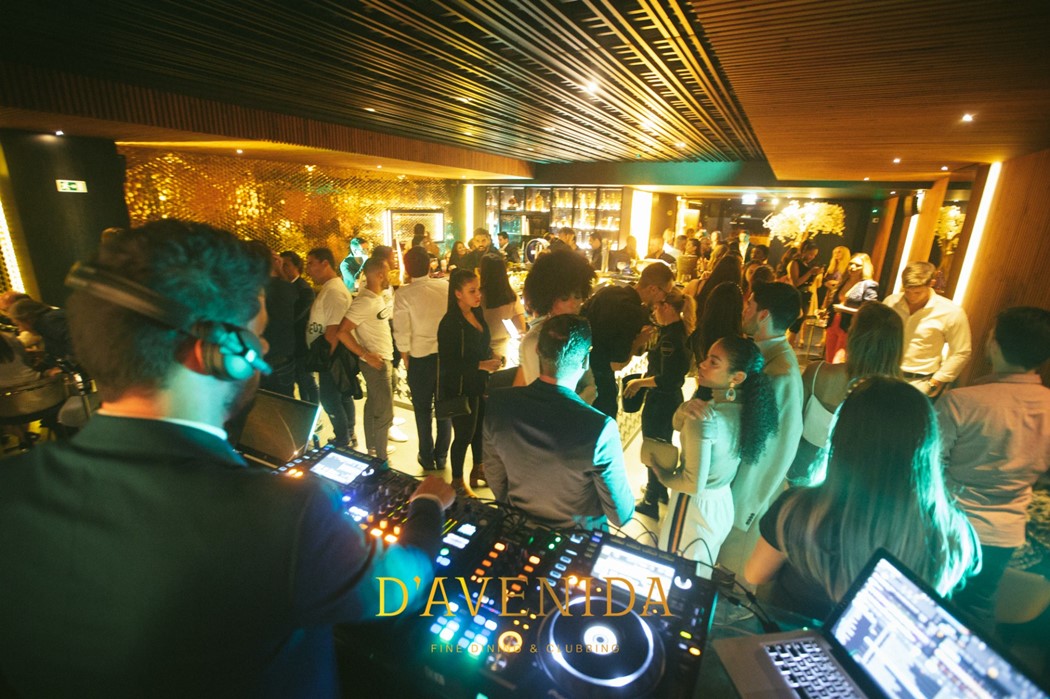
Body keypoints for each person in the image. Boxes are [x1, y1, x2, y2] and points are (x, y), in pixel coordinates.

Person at [0, 219, 455, 695]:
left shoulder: (11, 487)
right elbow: (400, 588)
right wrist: (427, 506)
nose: (262, 348)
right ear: (220, 353)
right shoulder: (283, 514)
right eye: (255, 335)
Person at [744, 377, 979, 622]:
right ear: (928, 445)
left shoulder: (799, 508)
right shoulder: (953, 530)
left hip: (792, 639)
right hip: (874, 644)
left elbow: (755, 574)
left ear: (842, 437)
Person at [937, 306, 1050, 629]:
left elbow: (929, 467)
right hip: (1006, 532)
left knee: (930, 602)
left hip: (951, 525)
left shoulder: (961, 402)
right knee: (977, 610)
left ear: (995, 345)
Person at [484, 314, 634, 531]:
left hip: (517, 531)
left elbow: (495, 479)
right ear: (585, 360)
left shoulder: (499, 404)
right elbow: (621, 515)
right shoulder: (600, 428)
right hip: (577, 544)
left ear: (538, 350)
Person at [660, 336, 778, 570]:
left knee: (671, 573)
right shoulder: (746, 410)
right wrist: (684, 408)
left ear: (737, 377)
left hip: (692, 508)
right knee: (699, 575)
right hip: (721, 503)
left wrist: (661, 475)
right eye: (706, 358)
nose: (702, 364)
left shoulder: (704, 417)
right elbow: (677, 423)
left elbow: (692, 484)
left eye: (713, 362)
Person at [717, 282, 804, 577]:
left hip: (746, 497)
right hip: (737, 491)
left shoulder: (780, 373)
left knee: (731, 577)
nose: (743, 310)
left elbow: (772, 449)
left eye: (749, 305)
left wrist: (742, 506)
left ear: (763, 314)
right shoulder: (765, 357)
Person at [787, 302, 903, 486]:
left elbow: (792, 425)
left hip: (804, 474)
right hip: (858, 485)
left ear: (854, 336)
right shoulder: (899, 398)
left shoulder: (817, 374)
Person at [625, 288, 696, 518]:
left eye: (656, 307)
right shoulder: (678, 332)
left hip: (661, 401)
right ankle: (660, 490)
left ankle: (650, 500)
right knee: (661, 444)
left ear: (666, 307)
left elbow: (667, 378)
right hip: (670, 399)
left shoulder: (670, 339)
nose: (654, 312)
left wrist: (638, 383)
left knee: (653, 448)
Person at [438, 269, 502, 498]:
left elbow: (481, 343)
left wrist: (492, 355)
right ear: (458, 293)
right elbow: (448, 363)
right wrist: (481, 364)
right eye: (472, 291)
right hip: (461, 387)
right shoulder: (450, 323)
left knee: (480, 430)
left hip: (480, 383)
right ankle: (456, 480)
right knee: (464, 434)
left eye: (478, 290)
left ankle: (478, 468)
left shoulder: (477, 313)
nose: (478, 295)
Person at [583, 262, 674, 418]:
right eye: (665, 294)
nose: (664, 299)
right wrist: (639, 341)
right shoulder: (633, 312)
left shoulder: (607, 291)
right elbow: (617, 364)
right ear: (653, 288)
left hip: (580, 372)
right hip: (601, 380)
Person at [393, 247, 452, 472]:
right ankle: (442, 456)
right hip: (445, 358)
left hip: (420, 358)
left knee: (422, 410)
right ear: (430, 265)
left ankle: (426, 457)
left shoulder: (403, 294)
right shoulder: (445, 286)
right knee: (445, 409)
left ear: (407, 269)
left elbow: (402, 331)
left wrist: (406, 358)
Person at [883, 260, 972, 399]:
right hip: (885, 375)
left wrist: (936, 382)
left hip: (920, 383)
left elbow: (961, 352)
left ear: (931, 283)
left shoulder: (950, 312)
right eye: (907, 291)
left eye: (917, 292)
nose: (911, 296)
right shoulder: (891, 302)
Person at [336, 257, 394, 462]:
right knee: (385, 414)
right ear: (380, 275)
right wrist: (365, 355)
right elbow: (342, 332)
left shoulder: (375, 297)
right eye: (388, 272)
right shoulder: (364, 302)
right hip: (376, 363)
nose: (390, 275)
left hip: (382, 358)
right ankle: (381, 461)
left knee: (374, 406)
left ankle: (373, 449)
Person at [514, 250, 596, 390]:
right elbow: (540, 394)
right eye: (564, 298)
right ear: (549, 298)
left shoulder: (575, 332)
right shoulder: (535, 340)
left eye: (577, 296)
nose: (573, 304)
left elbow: (591, 387)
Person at [306, 247, 357, 448]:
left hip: (333, 354)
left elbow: (334, 329)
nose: (308, 269)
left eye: (311, 263)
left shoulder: (334, 291)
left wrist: (325, 357)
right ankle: (348, 434)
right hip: (333, 353)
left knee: (329, 398)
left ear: (325, 263)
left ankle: (343, 439)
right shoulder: (331, 288)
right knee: (341, 395)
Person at [255, 244, 298, 397]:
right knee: (284, 403)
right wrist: (280, 270)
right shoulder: (285, 288)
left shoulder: (249, 288)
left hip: (259, 357)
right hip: (281, 357)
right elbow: (290, 291)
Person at [823, 253, 879, 363]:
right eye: (851, 264)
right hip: (833, 323)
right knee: (829, 358)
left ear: (864, 268)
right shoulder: (844, 281)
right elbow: (834, 301)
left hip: (849, 326)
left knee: (839, 361)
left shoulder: (868, 284)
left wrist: (845, 310)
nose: (852, 267)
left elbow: (870, 310)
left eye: (857, 265)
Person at [279, 251, 319, 403]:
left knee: (306, 381)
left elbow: (295, 316)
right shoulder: (284, 287)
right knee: (298, 380)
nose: (283, 268)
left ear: (297, 267)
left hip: (301, 344)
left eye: (286, 265)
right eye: (281, 265)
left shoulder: (304, 289)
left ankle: (312, 411)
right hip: (289, 344)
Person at [479, 253, 526, 363]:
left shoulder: (478, 297)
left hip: (482, 352)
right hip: (505, 351)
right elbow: (520, 330)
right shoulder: (511, 296)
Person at [9, 298, 74, 370]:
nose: (21, 329)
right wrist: (41, 355)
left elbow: (74, 342)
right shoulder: (48, 320)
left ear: (28, 319)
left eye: (18, 324)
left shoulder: (49, 322)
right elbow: (55, 351)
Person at [785, 241, 823, 346]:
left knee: (799, 323)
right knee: (794, 324)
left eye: (814, 255)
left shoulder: (807, 265)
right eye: (810, 254)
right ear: (803, 251)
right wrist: (810, 272)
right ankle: (787, 346)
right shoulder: (795, 263)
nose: (812, 257)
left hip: (806, 295)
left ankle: (789, 346)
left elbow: (809, 282)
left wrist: (816, 274)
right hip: (797, 296)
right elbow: (796, 283)